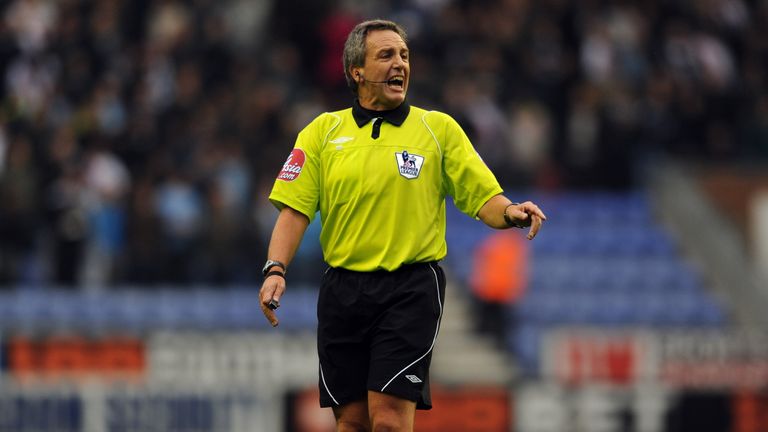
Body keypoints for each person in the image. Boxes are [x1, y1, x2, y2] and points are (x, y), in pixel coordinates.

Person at [259, 19, 547, 432]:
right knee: (351, 423)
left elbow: (483, 197)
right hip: (343, 290)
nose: (400, 64)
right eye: (386, 55)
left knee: (390, 420)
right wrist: (275, 269)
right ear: (357, 71)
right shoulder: (322, 132)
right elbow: (294, 210)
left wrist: (510, 212)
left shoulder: (438, 129)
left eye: (404, 55)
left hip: (409, 289)